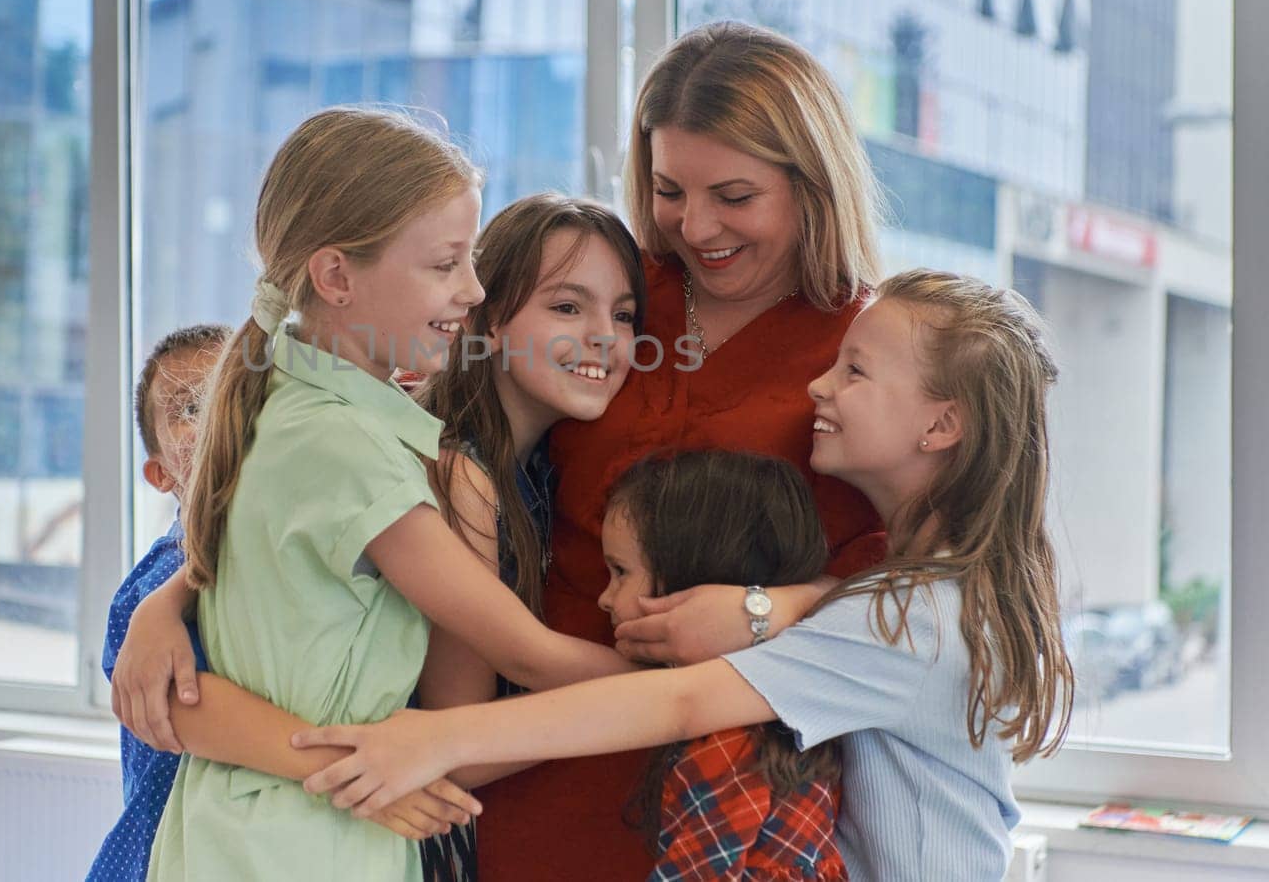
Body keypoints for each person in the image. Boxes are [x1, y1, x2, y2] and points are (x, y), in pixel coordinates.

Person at [297, 270, 1075, 882]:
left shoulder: (912, 617)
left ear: (941, 425)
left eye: (855, 371)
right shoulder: (928, 597)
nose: (819, 385)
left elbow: (682, 698)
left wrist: (438, 735)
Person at [140, 108, 633, 882]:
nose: (472, 290)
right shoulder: (354, 450)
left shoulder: (288, 407)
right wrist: (706, 689)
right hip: (305, 847)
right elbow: (524, 653)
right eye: (445, 264)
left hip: (246, 834)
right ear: (336, 277)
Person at [477, 21, 892, 878]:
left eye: (734, 196)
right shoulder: (609, 291)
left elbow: (934, 582)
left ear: (811, 184)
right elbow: (440, 425)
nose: (695, 226)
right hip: (529, 758)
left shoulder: (875, 344)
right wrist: (174, 588)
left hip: (734, 794)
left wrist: (769, 610)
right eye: (669, 190)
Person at [598, 449, 846, 881]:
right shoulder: (785, 712)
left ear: (692, 577)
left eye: (620, 572)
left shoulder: (728, 748)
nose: (604, 597)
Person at [87, 324, 228, 881]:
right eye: (190, 406)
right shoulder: (163, 578)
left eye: (231, 394)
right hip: (161, 853)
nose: (218, 415)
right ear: (161, 473)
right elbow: (187, 714)